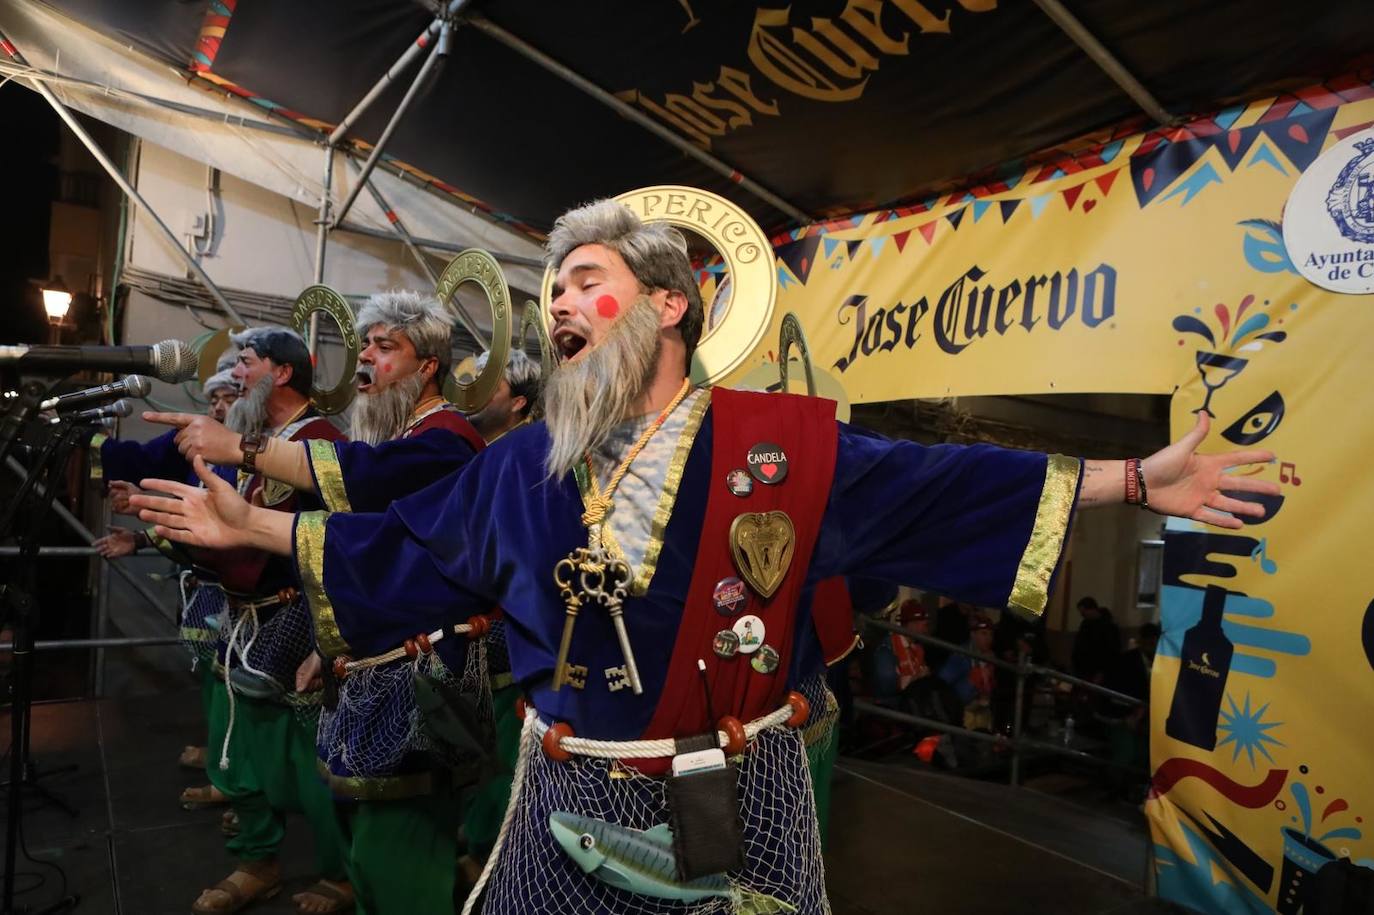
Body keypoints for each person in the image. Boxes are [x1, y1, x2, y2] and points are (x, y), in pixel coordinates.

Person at [133, 198, 1278, 915]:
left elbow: (933, 489)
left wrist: (1135, 483)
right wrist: (254, 527)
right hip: (561, 788)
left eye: (586, 282)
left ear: (670, 306)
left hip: (736, 787)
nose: (560, 305)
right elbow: (408, 546)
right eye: (553, 291)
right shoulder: (525, 465)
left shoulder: (776, 450)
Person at [193, 327, 352, 915]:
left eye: (246, 362)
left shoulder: (321, 441)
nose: (235, 374)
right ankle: (256, 860)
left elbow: (340, 544)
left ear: (282, 373)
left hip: (295, 619)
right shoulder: (255, 438)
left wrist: (325, 638)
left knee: (311, 762)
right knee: (239, 748)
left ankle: (340, 874)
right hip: (240, 617)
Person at [464, 349, 541, 441]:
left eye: (488, 386)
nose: (474, 391)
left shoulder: (526, 447)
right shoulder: (459, 438)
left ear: (517, 403)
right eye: (476, 382)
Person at [1072, 596, 1122, 684]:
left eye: (1083, 613)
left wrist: (1102, 672)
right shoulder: (1085, 623)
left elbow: (1111, 652)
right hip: (1083, 668)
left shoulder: (1109, 627)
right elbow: (1079, 645)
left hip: (1098, 670)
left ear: (1092, 609)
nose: (1082, 615)